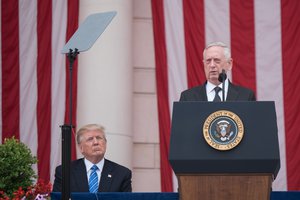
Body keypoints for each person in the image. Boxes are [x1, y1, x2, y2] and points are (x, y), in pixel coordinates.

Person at [52, 124, 132, 192]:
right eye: (90, 139)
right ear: (81, 148)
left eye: (99, 138)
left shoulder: (122, 174)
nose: (96, 142)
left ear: (105, 143)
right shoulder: (65, 172)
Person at [179, 41, 256, 101]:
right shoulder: (188, 97)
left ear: (229, 64)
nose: (212, 65)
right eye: (208, 61)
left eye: (217, 60)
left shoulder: (246, 96)